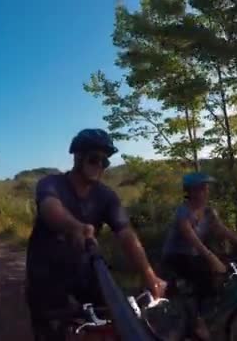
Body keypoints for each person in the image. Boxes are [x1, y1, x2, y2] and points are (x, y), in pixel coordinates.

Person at [25, 128, 167, 340]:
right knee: (49, 331)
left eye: (105, 162)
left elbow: (126, 234)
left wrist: (149, 275)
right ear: (77, 157)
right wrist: (75, 227)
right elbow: (49, 208)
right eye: (94, 159)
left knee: (114, 321)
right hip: (45, 273)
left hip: (86, 271)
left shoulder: (106, 196)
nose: (100, 166)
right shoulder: (51, 183)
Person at [161, 172, 237, 340]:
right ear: (190, 191)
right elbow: (192, 240)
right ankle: (198, 323)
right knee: (204, 275)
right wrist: (212, 259)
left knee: (222, 271)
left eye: (206, 188)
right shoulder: (183, 213)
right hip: (175, 256)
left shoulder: (208, 212)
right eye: (201, 188)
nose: (206, 191)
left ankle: (202, 306)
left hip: (193, 254)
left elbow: (224, 231)